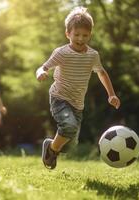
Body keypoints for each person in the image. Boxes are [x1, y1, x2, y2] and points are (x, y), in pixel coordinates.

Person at [35, 7, 120, 169]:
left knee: (70, 143)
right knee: (69, 126)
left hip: (77, 104)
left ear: (90, 35)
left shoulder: (92, 55)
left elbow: (101, 73)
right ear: (68, 34)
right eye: (77, 35)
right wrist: (41, 73)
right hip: (59, 97)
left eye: (85, 35)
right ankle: (52, 151)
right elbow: (43, 67)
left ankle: (51, 147)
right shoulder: (62, 53)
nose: (81, 39)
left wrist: (111, 95)